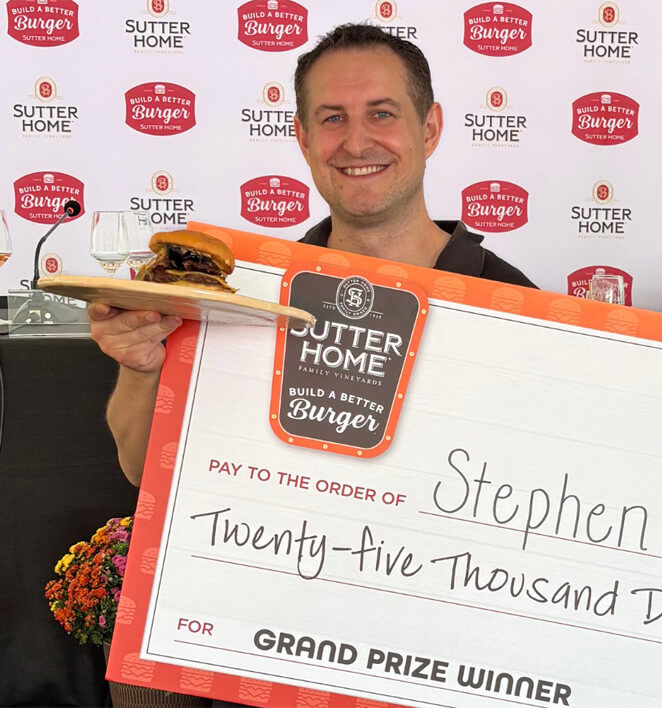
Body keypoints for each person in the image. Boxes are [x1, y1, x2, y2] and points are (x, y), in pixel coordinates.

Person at [90, 23, 536, 485]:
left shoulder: (517, 305)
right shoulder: (239, 296)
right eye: (333, 119)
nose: (357, 143)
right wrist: (140, 369)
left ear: (429, 129)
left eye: (382, 114)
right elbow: (143, 469)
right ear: (304, 139)